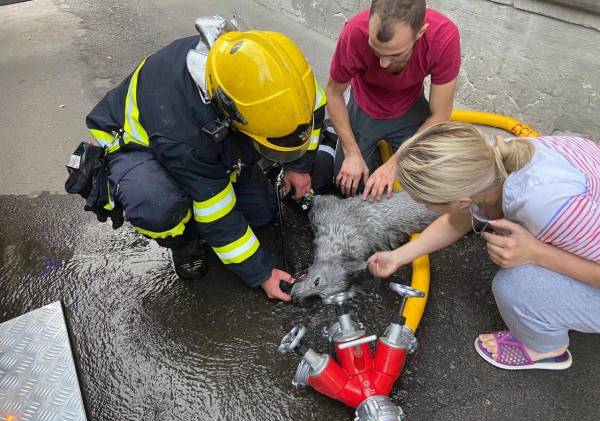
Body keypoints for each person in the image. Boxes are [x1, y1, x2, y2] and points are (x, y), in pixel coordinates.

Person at [79, 22, 326, 301]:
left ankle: (214, 183)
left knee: (262, 213)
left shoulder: (281, 78)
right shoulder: (185, 136)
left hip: (200, 138)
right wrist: (262, 273)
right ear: (229, 116)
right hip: (140, 145)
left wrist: (298, 166)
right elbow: (216, 212)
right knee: (158, 204)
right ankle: (183, 241)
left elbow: (314, 110)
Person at [368, 122, 600, 370]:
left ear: (460, 200)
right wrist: (398, 256)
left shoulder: (551, 208)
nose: (426, 208)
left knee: (516, 286)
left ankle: (547, 349)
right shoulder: (493, 161)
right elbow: (461, 216)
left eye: (427, 204)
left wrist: (537, 253)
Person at [320, 0, 460, 198]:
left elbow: (441, 114)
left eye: (395, 54)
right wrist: (351, 152)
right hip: (365, 104)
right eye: (375, 49)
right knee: (350, 188)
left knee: (433, 186)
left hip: (410, 106)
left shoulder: (443, 36)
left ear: (420, 33)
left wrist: (395, 164)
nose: (383, 64)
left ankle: (378, 157)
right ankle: (346, 143)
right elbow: (333, 93)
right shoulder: (354, 32)